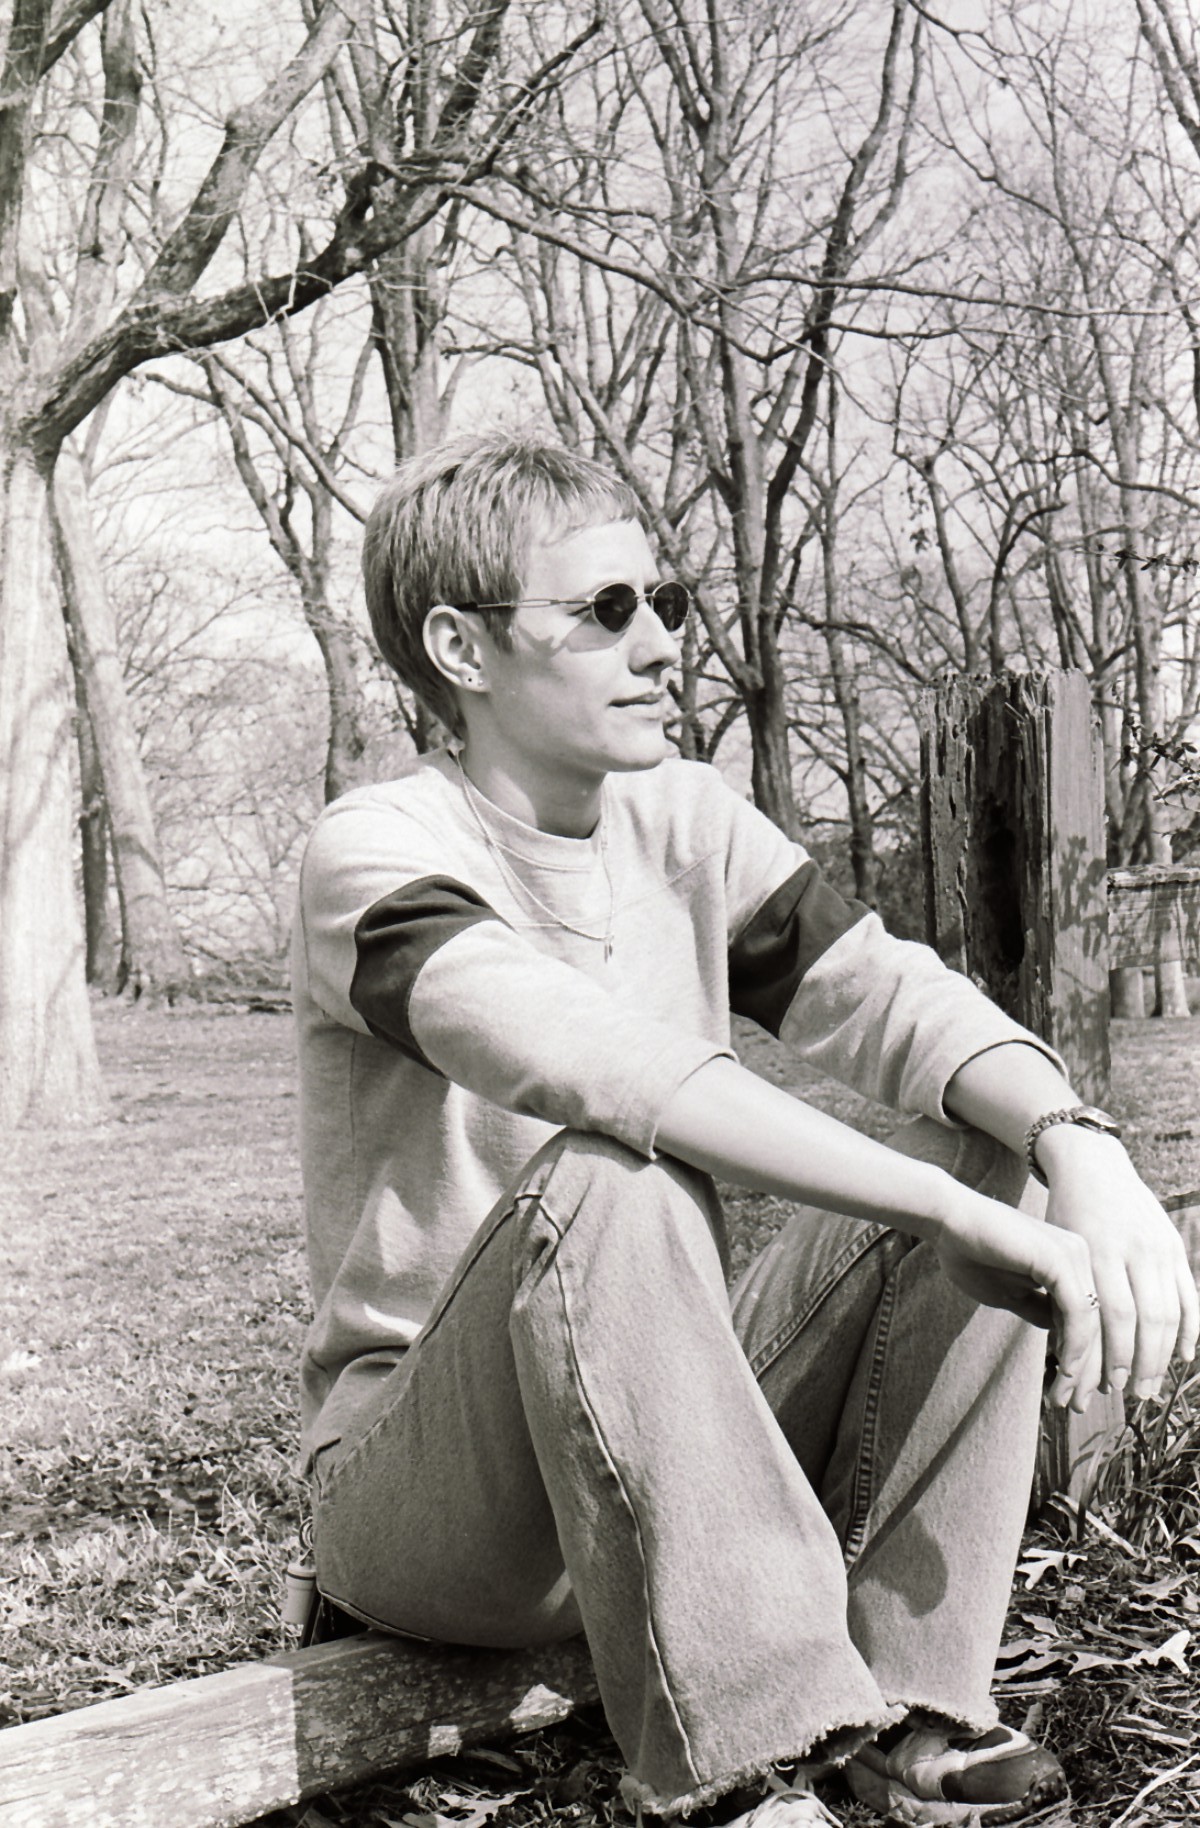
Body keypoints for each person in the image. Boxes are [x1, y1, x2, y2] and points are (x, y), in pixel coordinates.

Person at [290, 435, 1197, 1828]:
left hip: (661, 1428)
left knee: (985, 1144)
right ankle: (751, 1766)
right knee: (617, 1176)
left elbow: (891, 998)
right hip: (436, 1501)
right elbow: (603, 1069)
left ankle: (903, 1702)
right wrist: (944, 1217)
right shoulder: (375, 853)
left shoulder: (684, 819)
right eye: (604, 611)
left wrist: (1082, 1146)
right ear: (461, 649)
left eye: (664, 602)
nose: (662, 646)